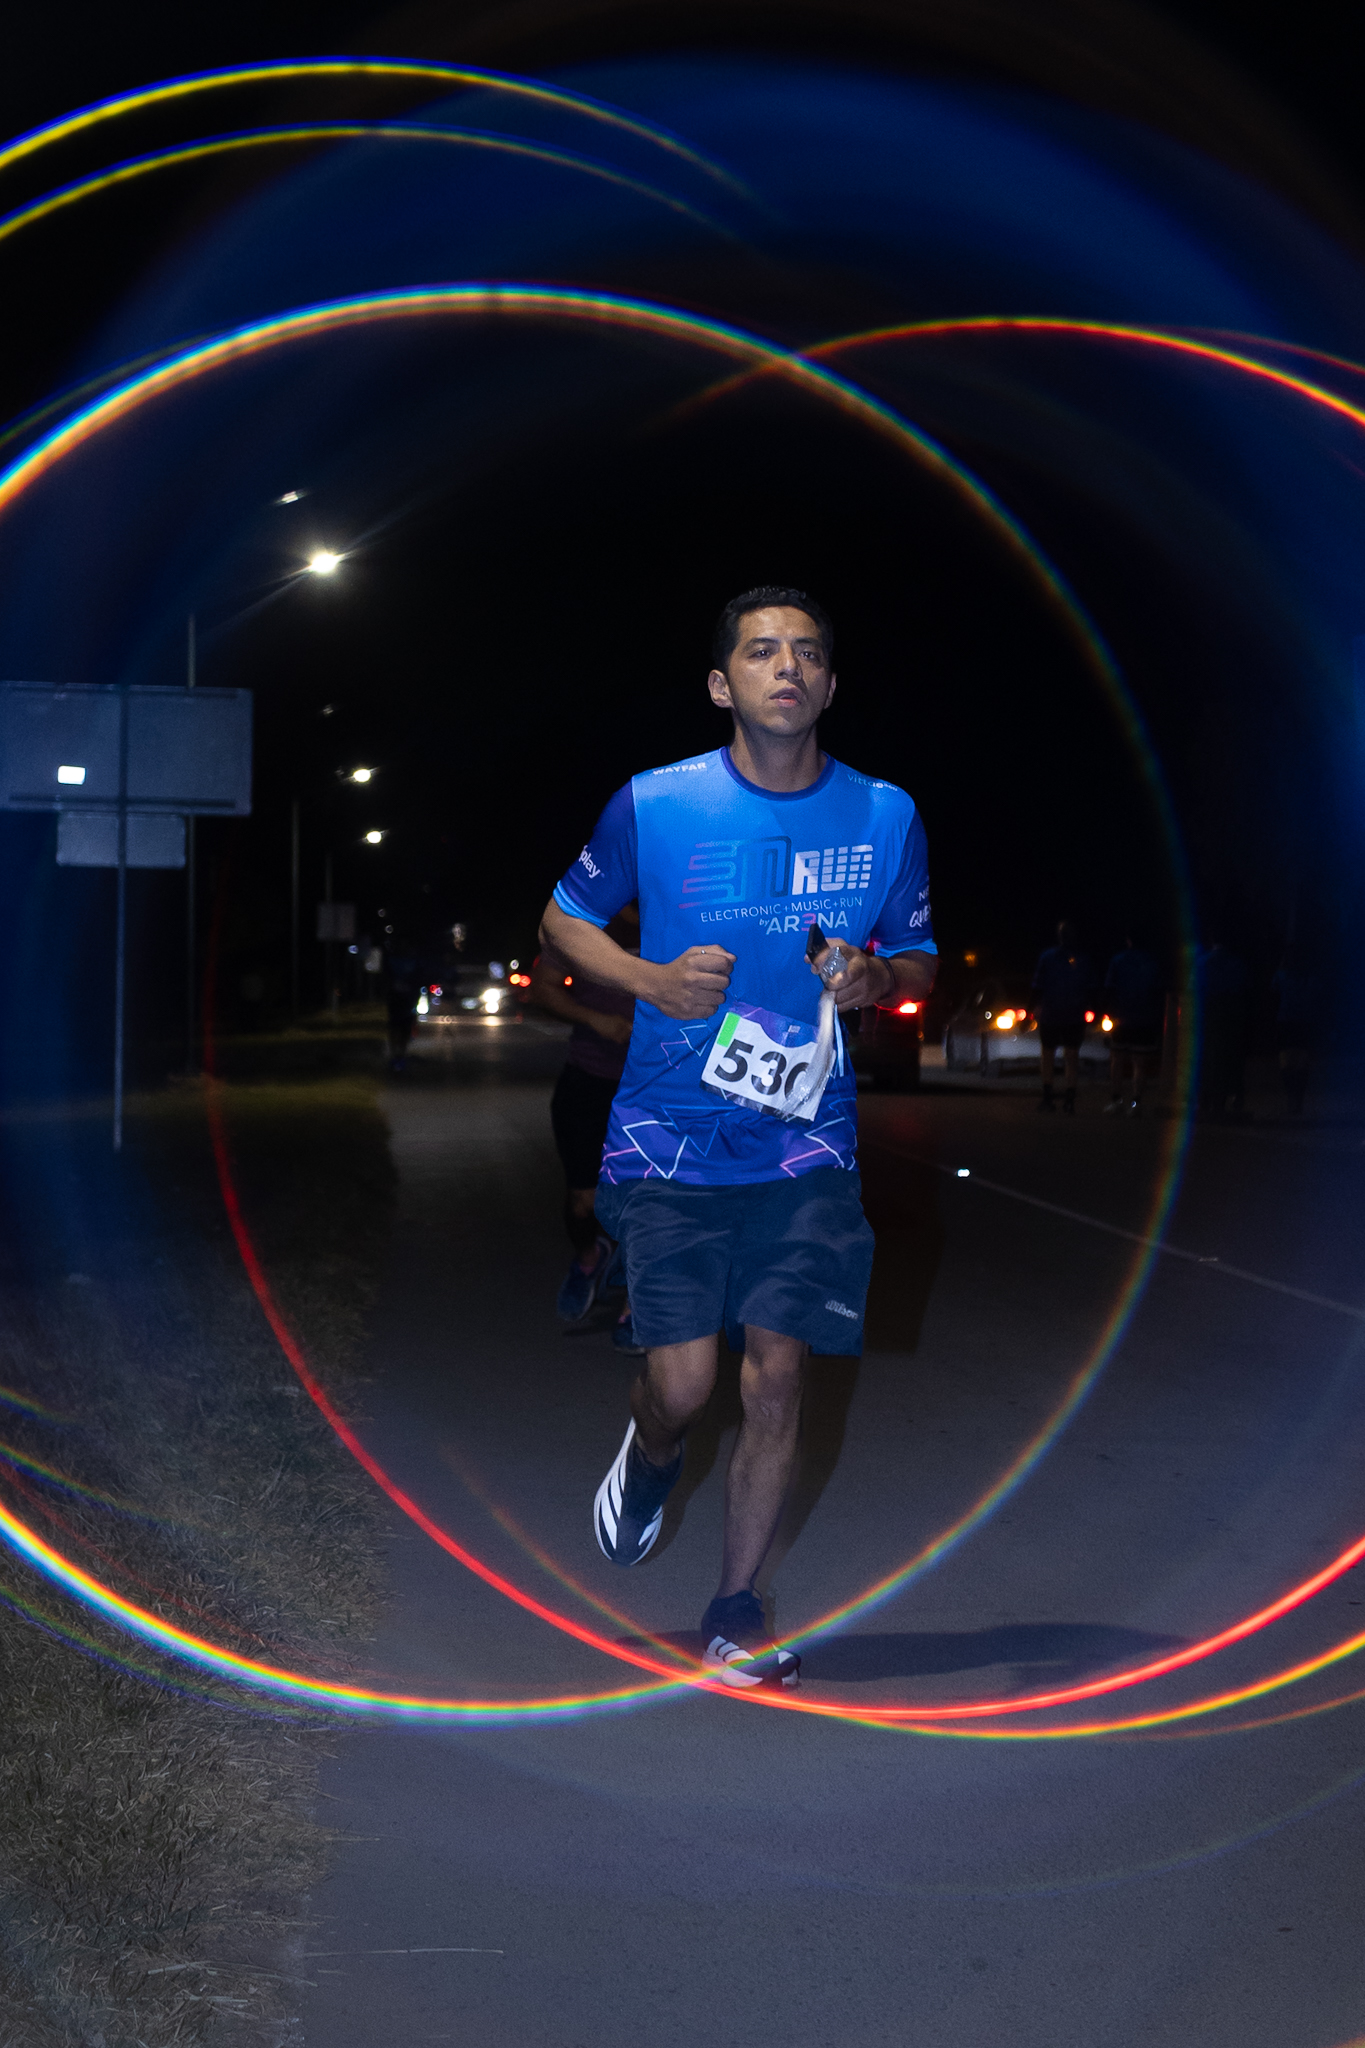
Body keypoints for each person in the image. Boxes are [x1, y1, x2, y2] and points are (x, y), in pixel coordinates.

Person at [539, 586, 937, 1690]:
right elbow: (562, 919)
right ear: (722, 685)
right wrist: (649, 980)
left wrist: (876, 979)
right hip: (669, 1137)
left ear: (831, 685)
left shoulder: (885, 814)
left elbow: (918, 954)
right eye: (762, 651)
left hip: (807, 1143)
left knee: (775, 1378)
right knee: (682, 1384)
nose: (786, 666)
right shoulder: (655, 803)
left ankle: (735, 1610)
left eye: (807, 652)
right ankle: (653, 1452)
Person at [532, 907, 643, 1351]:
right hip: (588, 1080)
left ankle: (638, 1305)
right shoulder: (585, 916)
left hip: (653, 1088)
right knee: (583, 1204)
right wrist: (596, 1019)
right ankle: (589, 1257)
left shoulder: (677, 912)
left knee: (645, 1204)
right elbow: (543, 988)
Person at [1031, 921, 1091, 1113]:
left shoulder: (1048, 956)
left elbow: (1037, 986)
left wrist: (1032, 1009)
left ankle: (1048, 1098)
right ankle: (1069, 1099)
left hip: (1051, 1013)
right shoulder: (1083, 959)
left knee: (1048, 1055)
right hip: (1074, 1014)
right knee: (1071, 1056)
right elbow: (1090, 987)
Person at [1102, 932, 1164, 1116]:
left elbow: (1109, 989)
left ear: (1128, 940)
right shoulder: (1152, 962)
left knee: (1117, 1060)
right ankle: (1136, 1103)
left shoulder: (1118, 960)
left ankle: (1117, 1101)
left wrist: (1108, 1013)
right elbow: (1157, 993)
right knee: (1140, 1063)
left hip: (1121, 1017)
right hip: (1144, 1018)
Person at [1198, 937, 1250, 1118]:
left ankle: (1205, 1099)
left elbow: (1192, 988)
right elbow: (1244, 989)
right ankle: (1225, 1099)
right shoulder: (1236, 963)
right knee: (1228, 1057)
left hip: (1207, 1015)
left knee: (1206, 1057)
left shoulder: (1202, 962)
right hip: (1231, 1016)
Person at [1271, 940, 1316, 1116]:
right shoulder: (1309, 976)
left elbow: (1274, 996)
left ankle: (1291, 1098)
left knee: (1286, 1061)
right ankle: (1298, 1099)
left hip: (1285, 1020)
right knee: (1302, 1061)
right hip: (1304, 1021)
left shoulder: (1280, 975)